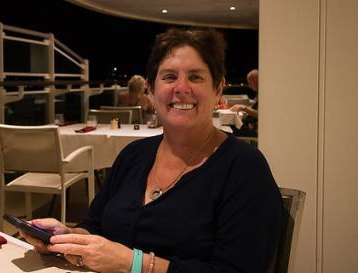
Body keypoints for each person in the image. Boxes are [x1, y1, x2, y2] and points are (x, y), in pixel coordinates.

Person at [20, 28, 282, 273]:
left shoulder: (245, 167)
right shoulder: (133, 154)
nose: (181, 88)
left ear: (218, 89)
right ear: (151, 88)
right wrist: (68, 238)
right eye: (169, 77)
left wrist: (133, 263)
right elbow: (94, 226)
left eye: (196, 77)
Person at [230, 69, 259, 135]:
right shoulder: (258, 92)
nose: (249, 86)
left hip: (255, 129)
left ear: (256, 81)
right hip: (250, 125)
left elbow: (261, 115)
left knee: (229, 129)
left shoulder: (264, 94)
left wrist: (244, 108)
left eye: (250, 83)